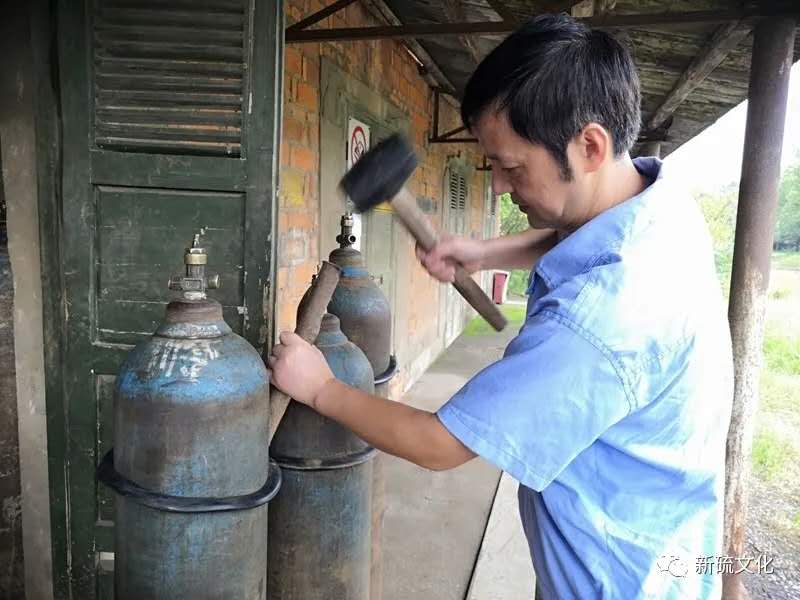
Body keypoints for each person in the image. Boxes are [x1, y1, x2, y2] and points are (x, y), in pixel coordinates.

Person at [268, 13, 733, 600]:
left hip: (612, 580)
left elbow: (441, 444)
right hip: (667, 538)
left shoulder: (601, 318)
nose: (498, 186)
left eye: (512, 167)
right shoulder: (658, 207)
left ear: (590, 146)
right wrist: (484, 252)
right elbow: (575, 235)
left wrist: (321, 388)